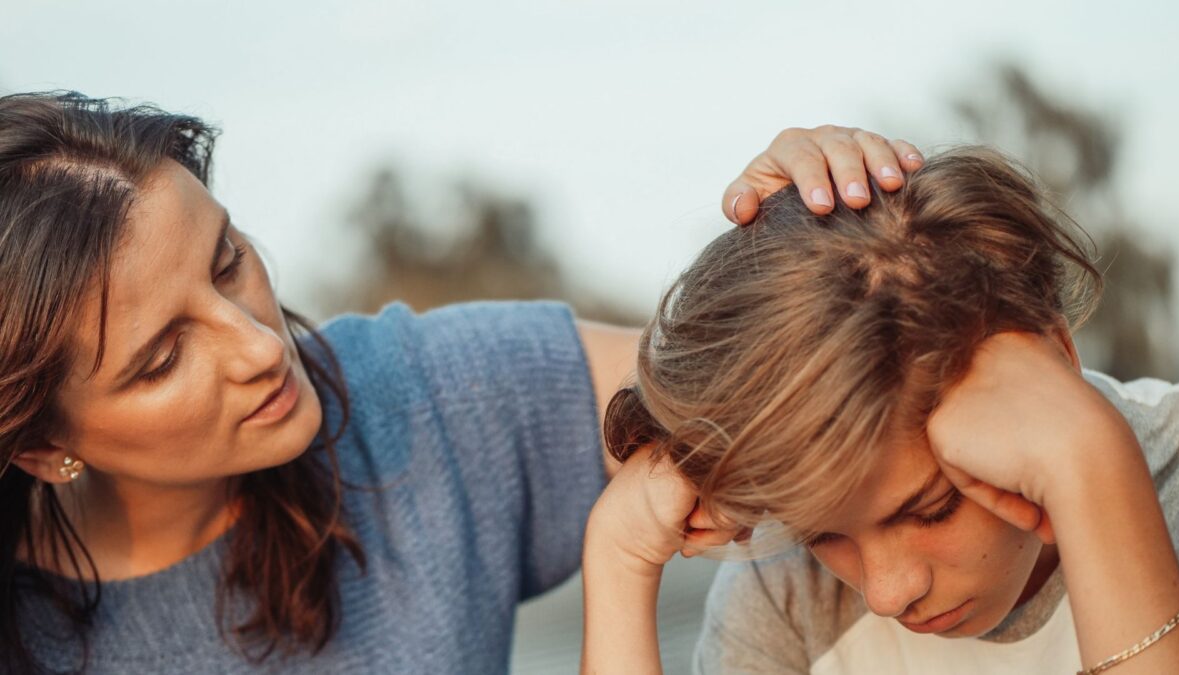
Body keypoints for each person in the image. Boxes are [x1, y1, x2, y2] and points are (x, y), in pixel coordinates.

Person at [0, 91, 923, 674]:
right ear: (43, 445)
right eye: (163, 358)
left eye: (229, 259)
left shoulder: (425, 398)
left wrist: (820, 243)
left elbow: (786, 376)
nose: (257, 347)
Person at [582, 147, 1179, 674]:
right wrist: (618, 562)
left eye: (933, 510)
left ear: (1057, 362)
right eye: (821, 533)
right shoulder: (788, 593)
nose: (886, 591)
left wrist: (1091, 467)